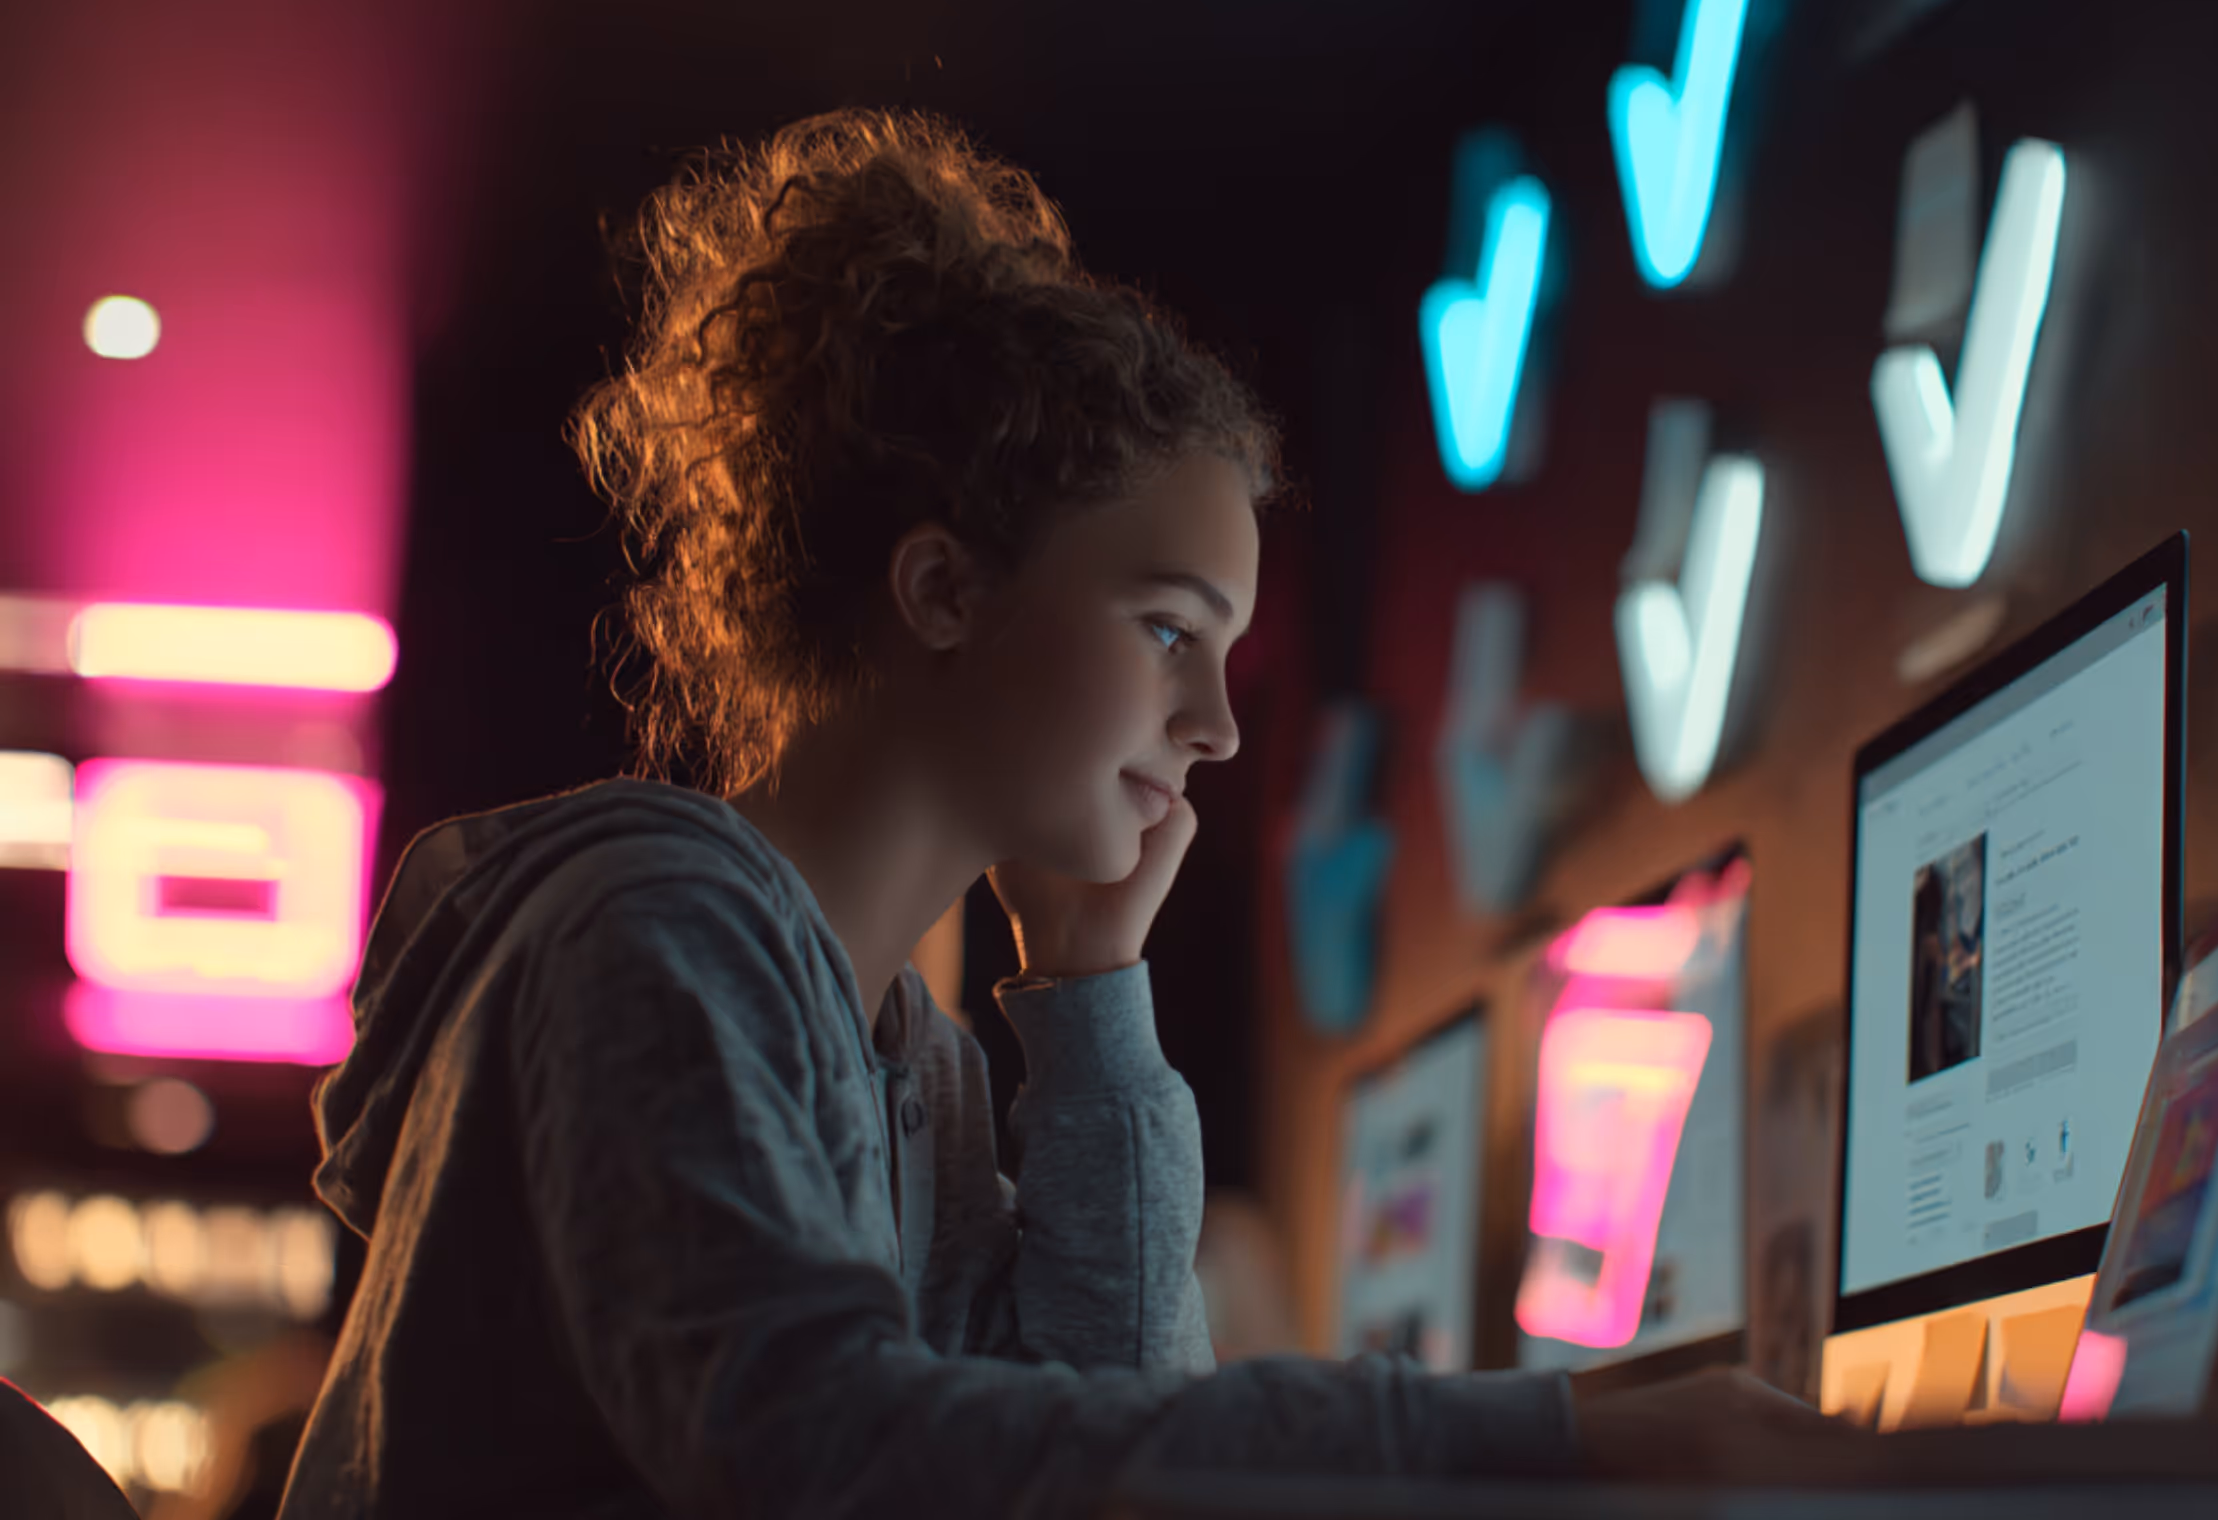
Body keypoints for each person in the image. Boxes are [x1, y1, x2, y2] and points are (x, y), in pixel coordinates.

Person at [274, 110, 1827, 1520]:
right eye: (1169, 630)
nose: (1215, 728)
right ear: (944, 590)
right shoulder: (653, 934)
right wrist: (1560, 1437)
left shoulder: (906, 1062)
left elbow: (1106, 1431)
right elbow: (824, 1450)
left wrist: (1092, 1005)